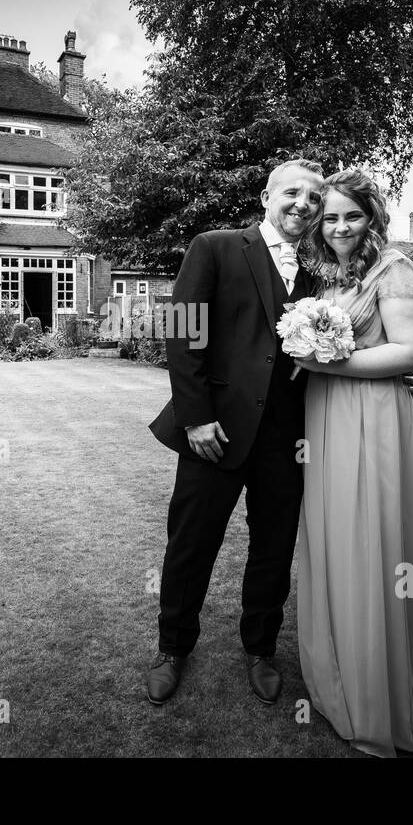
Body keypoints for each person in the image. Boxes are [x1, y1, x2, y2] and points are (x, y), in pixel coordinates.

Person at [146, 158, 323, 705]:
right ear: (267, 195)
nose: (303, 205)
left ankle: (261, 649)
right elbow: (182, 330)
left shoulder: (323, 267)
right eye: (292, 193)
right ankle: (173, 648)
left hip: (287, 437)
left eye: (314, 199)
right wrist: (196, 416)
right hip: (213, 431)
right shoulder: (216, 245)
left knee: (274, 547)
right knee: (192, 544)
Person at [291, 168, 413, 757]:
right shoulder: (327, 276)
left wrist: (326, 362)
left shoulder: (396, 269)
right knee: (336, 540)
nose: (339, 226)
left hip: (374, 417)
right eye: (330, 217)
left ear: (373, 218)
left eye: (351, 216)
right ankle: (341, 675)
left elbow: (412, 350)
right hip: (325, 417)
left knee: (374, 540)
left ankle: (383, 697)